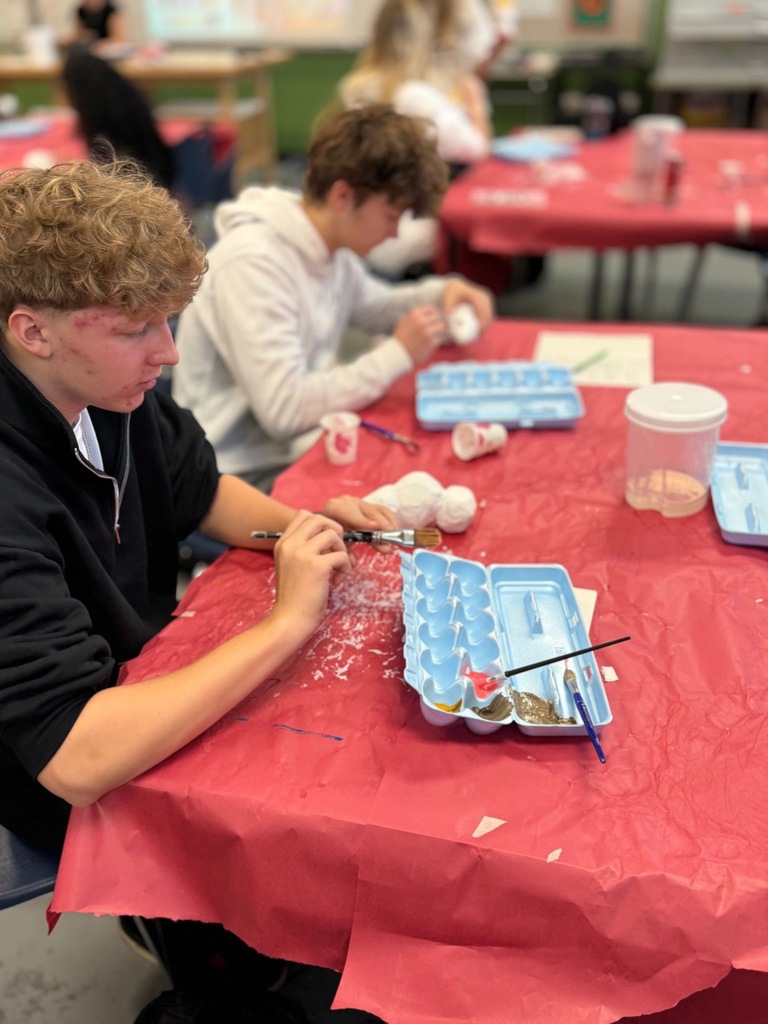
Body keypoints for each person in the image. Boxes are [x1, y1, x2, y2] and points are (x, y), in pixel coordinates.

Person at [0, 158, 398, 1022]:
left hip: (125, 674)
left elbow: (198, 491)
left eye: (168, 322)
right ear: (33, 331)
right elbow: (74, 757)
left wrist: (298, 524)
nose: (168, 352)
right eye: (137, 329)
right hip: (54, 752)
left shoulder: (103, 383)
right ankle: (227, 972)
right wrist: (287, 621)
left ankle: (256, 948)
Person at [171, 103, 494, 490]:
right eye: (391, 216)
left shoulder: (327, 247)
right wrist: (398, 354)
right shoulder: (254, 264)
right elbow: (285, 409)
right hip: (233, 475)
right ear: (343, 196)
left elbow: (378, 306)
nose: (394, 234)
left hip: (287, 449)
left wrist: (443, 292)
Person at [62, 52, 176, 191]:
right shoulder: (124, 98)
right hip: (161, 174)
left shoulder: (101, 122)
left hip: (142, 187)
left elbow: (109, 174)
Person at [63, 0, 130, 54]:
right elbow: (78, 35)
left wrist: (99, 45)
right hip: (88, 53)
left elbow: (120, 39)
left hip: (107, 54)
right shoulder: (82, 12)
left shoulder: (111, 12)